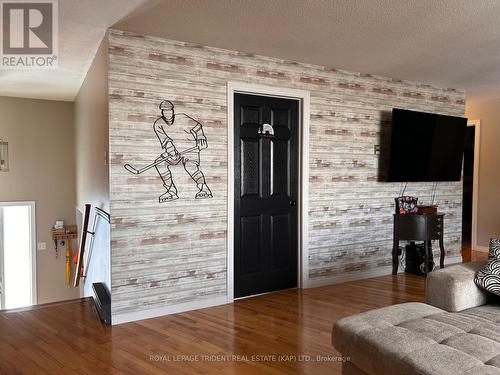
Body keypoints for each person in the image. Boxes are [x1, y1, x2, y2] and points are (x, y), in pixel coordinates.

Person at [153, 100, 213, 202]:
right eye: (164, 111)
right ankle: (171, 191)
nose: (167, 114)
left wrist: (201, 138)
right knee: (160, 163)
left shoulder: (182, 117)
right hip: (174, 152)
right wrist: (171, 151)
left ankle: (204, 189)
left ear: (173, 111)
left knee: (190, 166)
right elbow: (166, 141)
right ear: (162, 112)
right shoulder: (158, 124)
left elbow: (197, 127)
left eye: (169, 111)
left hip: (190, 149)